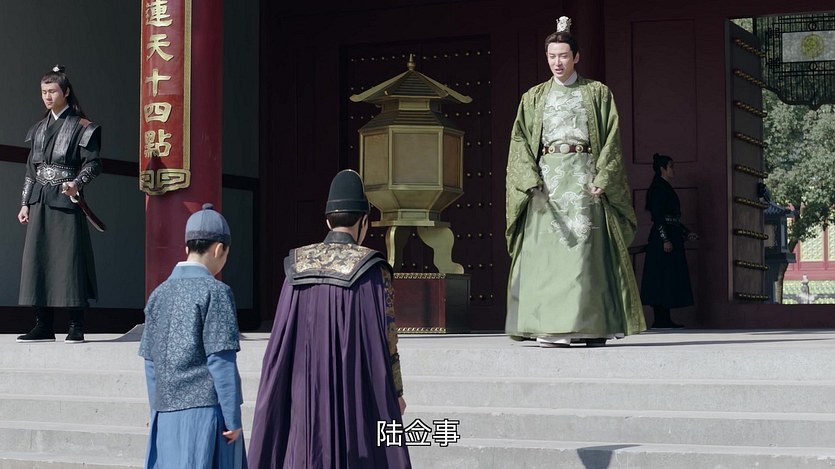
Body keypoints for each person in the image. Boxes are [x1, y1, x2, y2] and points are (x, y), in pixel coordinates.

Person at [248, 169, 411, 468]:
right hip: (353, 386)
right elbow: (388, 340)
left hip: (303, 389)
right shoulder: (372, 270)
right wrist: (395, 393)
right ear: (364, 221)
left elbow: (279, 347)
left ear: (328, 221)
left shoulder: (296, 267)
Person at [504, 17, 646, 348]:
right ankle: (550, 326)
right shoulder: (533, 97)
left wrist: (603, 176)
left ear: (576, 57)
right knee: (549, 258)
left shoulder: (597, 93)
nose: (557, 62)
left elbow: (611, 138)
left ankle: (591, 326)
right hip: (548, 183)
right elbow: (519, 141)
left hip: (584, 179)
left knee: (585, 256)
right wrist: (530, 180)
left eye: (564, 56)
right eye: (552, 56)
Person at [138, 203, 246, 468]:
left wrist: (156, 408)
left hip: (165, 414)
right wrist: (233, 419)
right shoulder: (216, 292)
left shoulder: (158, 294)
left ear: (187, 248)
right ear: (219, 249)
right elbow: (221, 360)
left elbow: (150, 363)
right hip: (205, 415)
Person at [17, 65, 102, 344]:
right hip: (40, 200)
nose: (47, 96)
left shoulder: (82, 127)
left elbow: (93, 163)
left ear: (65, 92)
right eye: (43, 92)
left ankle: (76, 325)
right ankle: (43, 324)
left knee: (70, 261)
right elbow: (31, 170)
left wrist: (77, 183)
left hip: (66, 200)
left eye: (52, 91)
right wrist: (25, 203)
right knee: (38, 260)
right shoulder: (38, 129)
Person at [641, 153, 697, 328]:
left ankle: (665, 318)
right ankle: (660, 318)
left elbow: (672, 219)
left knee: (669, 277)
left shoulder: (665, 188)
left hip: (671, 235)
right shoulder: (657, 189)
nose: (674, 170)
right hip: (661, 239)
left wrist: (686, 233)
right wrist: (665, 239)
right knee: (661, 277)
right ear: (662, 169)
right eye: (671, 166)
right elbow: (658, 217)